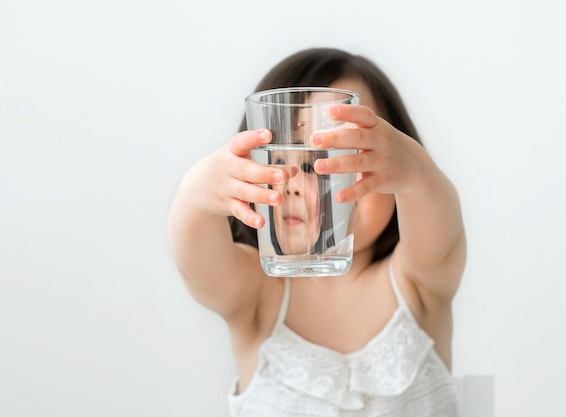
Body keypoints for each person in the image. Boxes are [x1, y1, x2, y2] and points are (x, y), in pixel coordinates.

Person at [167, 47, 466, 417]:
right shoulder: (258, 294)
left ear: (395, 168)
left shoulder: (417, 283)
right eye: (277, 163)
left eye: (341, 157)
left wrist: (419, 172)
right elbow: (196, 263)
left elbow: (442, 231)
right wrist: (195, 195)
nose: (297, 184)